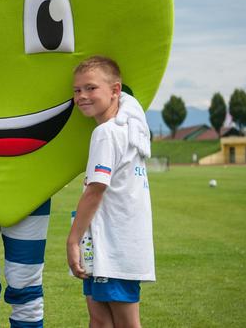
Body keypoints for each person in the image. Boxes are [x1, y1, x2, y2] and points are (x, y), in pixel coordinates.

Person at [67, 56, 154, 328]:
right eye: (77, 90)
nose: (82, 96)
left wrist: (72, 240)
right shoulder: (128, 128)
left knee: (126, 323)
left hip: (116, 247)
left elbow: (96, 190)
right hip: (109, 245)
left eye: (91, 88)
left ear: (116, 90)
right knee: (100, 320)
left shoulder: (108, 132)